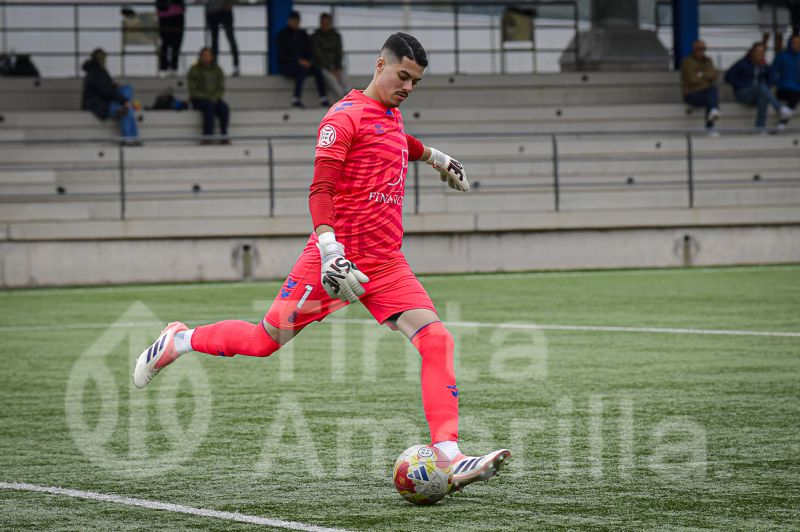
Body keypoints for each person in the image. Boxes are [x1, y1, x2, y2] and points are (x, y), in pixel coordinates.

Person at [134, 32, 510, 492]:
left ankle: (449, 455)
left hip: (387, 264)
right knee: (262, 341)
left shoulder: (390, 114)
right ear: (380, 65)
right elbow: (321, 190)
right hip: (332, 264)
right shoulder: (342, 118)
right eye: (403, 76)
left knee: (439, 341)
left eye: (415, 81)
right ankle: (181, 339)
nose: (408, 87)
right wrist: (332, 251)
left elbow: (397, 140)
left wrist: (436, 157)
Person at [725, 42, 793, 131]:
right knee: (760, 87)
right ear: (752, 52)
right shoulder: (743, 63)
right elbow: (728, 77)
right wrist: (742, 84)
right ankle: (779, 108)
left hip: (757, 94)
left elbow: (771, 79)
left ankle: (759, 128)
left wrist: (767, 85)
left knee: (762, 99)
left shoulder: (764, 66)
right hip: (742, 93)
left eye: (762, 52)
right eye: (758, 51)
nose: (760, 54)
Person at [81, 48, 140, 145]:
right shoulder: (97, 72)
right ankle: (130, 138)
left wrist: (114, 85)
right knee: (126, 104)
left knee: (127, 106)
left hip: (103, 102)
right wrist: (124, 100)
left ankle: (131, 138)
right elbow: (106, 91)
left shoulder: (97, 72)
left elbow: (106, 87)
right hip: (99, 105)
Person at [277, 11, 329, 108]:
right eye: (293, 20)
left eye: (297, 20)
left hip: (304, 64)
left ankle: (323, 98)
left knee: (317, 69)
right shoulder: (283, 35)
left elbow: (309, 50)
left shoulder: (303, 34)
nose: (295, 22)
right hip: (287, 65)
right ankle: (296, 98)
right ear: (289, 21)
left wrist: (309, 61)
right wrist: (298, 60)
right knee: (301, 70)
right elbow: (283, 54)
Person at [187, 47, 230, 143]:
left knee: (224, 108)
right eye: (204, 56)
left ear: (212, 57)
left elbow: (221, 87)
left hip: (215, 98)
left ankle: (224, 136)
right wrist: (208, 98)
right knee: (209, 107)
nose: (206, 58)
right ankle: (207, 136)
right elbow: (192, 90)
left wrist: (216, 96)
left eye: (208, 56)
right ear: (200, 57)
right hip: (199, 99)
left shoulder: (217, 69)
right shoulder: (194, 70)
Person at [681, 39, 722, 135]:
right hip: (691, 93)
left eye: (703, 48)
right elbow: (691, 79)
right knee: (712, 96)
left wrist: (701, 75)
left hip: (705, 92)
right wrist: (707, 79)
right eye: (698, 48)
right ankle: (711, 124)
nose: (700, 51)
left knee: (712, 94)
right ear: (693, 49)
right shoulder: (687, 62)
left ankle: (713, 115)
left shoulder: (708, 60)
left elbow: (715, 75)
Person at [312, 12, 350, 101]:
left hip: (336, 66)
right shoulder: (315, 37)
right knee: (334, 83)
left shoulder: (336, 36)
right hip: (324, 66)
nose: (325, 25)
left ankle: (351, 98)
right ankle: (344, 102)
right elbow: (319, 55)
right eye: (323, 23)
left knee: (345, 80)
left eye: (327, 23)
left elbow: (339, 53)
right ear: (320, 23)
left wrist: (337, 67)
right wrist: (331, 68)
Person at [772, 34, 800, 129]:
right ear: (790, 44)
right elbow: (772, 73)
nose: (797, 45)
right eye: (795, 43)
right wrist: (780, 84)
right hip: (784, 89)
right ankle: (783, 123)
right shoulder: (782, 56)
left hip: (797, 89)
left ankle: (783, 122)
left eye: (799, 43)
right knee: (795, 95)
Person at [205, 0, 239, 76]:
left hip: (225, 11)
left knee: (230, 39)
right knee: (214, 41)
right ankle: (213, 66)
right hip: (211, 12)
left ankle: (236, 66)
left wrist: (230, 3)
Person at [156, 0, 185, 77]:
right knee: (165, 43)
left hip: (178, 15)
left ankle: (174, 67)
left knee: (177, 43)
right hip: (164, 16)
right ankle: (163, 68)